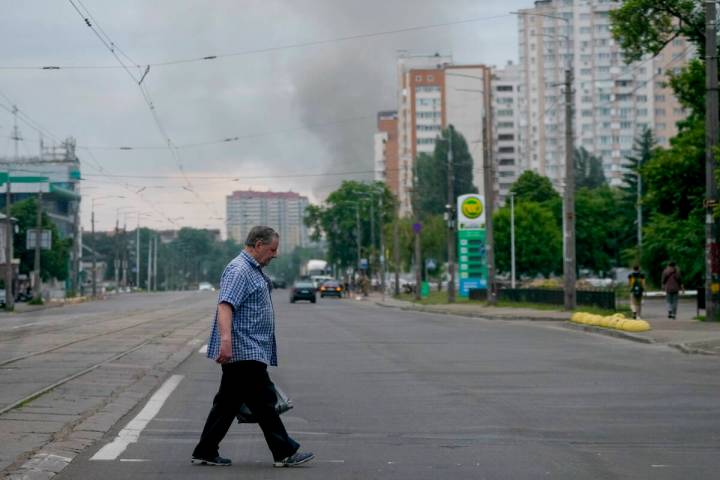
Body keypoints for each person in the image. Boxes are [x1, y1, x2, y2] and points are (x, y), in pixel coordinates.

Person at [191, 226, 314, 468]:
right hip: (244, 348)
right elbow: (225, 305)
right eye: (272, 249)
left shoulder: (251, 269)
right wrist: (226, 342)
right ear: (258, 245)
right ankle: (284, 451)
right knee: (264, 402)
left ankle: (205, 449)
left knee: (227, 403)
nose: (275, 254)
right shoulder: (240, 270)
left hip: (249, 347)